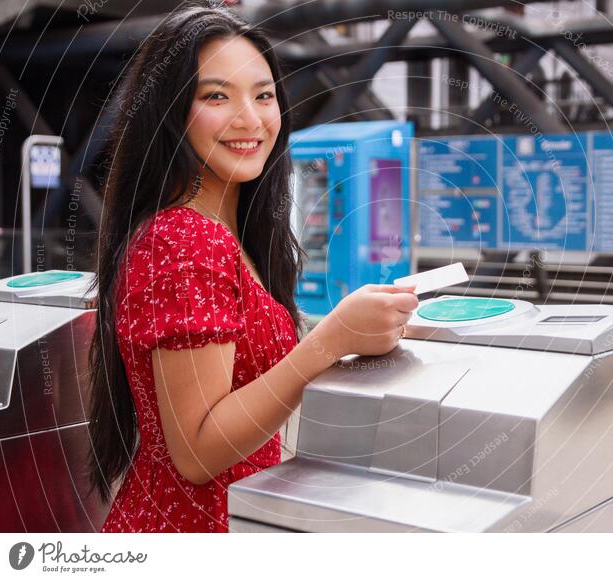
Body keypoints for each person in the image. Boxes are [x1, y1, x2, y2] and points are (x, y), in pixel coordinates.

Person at [87, 4, 417, 533]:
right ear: (169, 111)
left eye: (263, 95)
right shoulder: (184, 241)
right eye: (216, 96)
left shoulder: (226, 236)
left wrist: (369, 326)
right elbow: (197, 452)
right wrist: (329, 341)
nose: (251, 119)